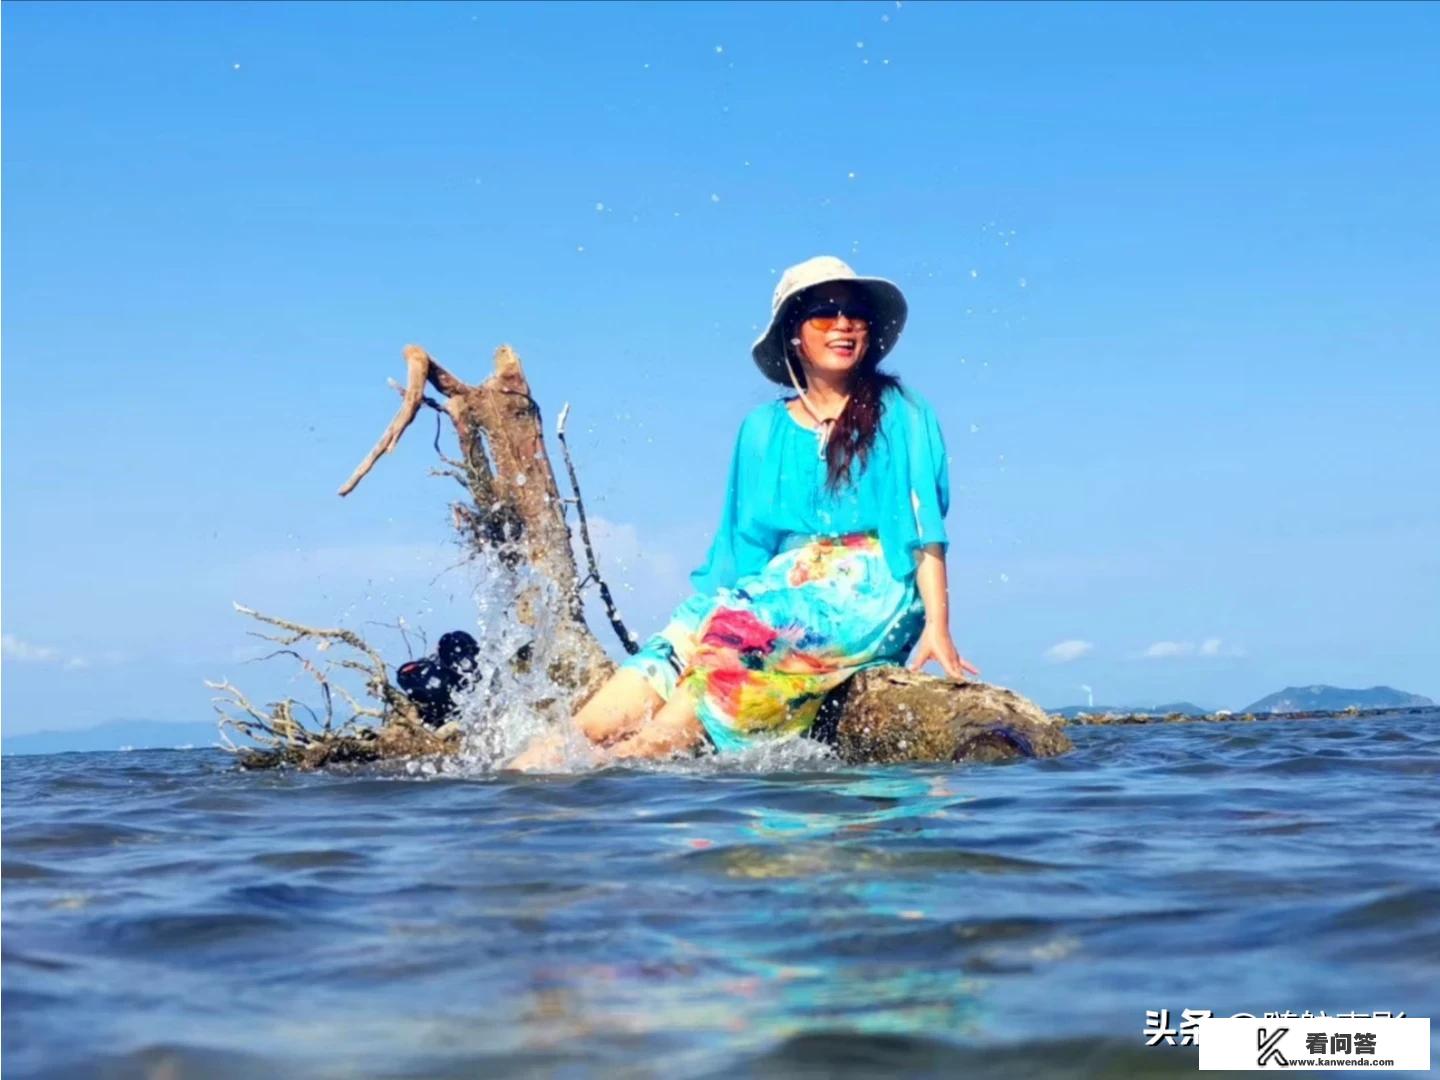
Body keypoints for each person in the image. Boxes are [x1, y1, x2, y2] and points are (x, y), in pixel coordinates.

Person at [509, 255, 978, 769]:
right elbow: (745, 543)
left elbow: (924, 528)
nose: (843, 325)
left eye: (856, 314)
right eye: (824, 313)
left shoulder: (902, 411)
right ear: (794, 333)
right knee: (675, 644)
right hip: (780, 584)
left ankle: (635, 760)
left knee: (737, 635)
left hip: (870, 586)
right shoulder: (761, 428)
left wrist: (938, 626)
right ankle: (525, 779)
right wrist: (704, 621)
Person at [396, 630, 480, 727]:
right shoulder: (432, 670)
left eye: (472, 656)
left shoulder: (483, 675)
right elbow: (404, 674)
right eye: (463, 660)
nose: (468, 663)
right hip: (438, 726)